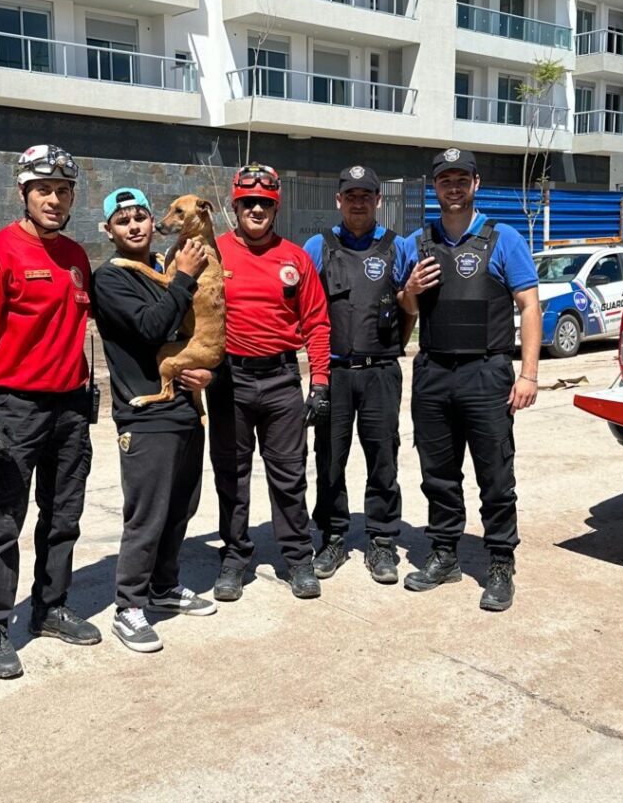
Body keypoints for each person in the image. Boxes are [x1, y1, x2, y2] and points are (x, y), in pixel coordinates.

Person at [0, 144, 100, 680]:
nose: (54, 200)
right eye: (43, 190)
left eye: (63, 191)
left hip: (70, 408)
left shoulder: (76, 257)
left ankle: (50, 607)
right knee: (4, 522)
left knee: (64, 517)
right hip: (13, 408)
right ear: (23, 194)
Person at [397, 148, 540, 612]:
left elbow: (529, 306)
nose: (453, 188)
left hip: (486, 372)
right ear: (435, 188)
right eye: (445, 180)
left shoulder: (504, 239)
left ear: (476, 184)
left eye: (462, 180)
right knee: (437, 475)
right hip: (434, 372)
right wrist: (409, 291)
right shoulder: (417, 243)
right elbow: (405, 309)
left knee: (495, 475)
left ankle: (500, 562)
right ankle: (444, 554)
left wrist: (529, 374)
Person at [92, 187, 216, 654]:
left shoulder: (168, 264)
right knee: (147, 515)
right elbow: (152, 327)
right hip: (145, 415)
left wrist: (206, 372)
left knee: (182, 506)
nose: (135, 226)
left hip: (184, 407)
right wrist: (184, 277)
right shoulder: (111, 278)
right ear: (109, 231)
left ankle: (164, 586)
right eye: (122, 221)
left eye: (140, 217)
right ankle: (128, 605)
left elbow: (199, 325)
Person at [207, 164, 332, 602]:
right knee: (231, 474)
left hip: (281, 380)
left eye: (265, 203)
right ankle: (234, 558)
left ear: (275, 208)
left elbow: (316, 323)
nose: (256, 209)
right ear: (235, 206)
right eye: (248, 203)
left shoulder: (295, 258)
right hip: (229, 380)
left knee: (289, 475)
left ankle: (298, 559)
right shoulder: (214, 252)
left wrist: (320, 382)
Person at [303, 165, 411, 585]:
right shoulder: (319, 246)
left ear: (378, 200)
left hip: (381, 371)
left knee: (383, 457)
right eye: (351, 196)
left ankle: (382, 540)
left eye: (366, 196)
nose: (358, 203)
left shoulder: (397, 246)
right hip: (334, 373)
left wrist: (393, 346)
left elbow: (410, 305)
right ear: (339, 200)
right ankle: (332, 537)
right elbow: (303, 305)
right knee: (329, 458)